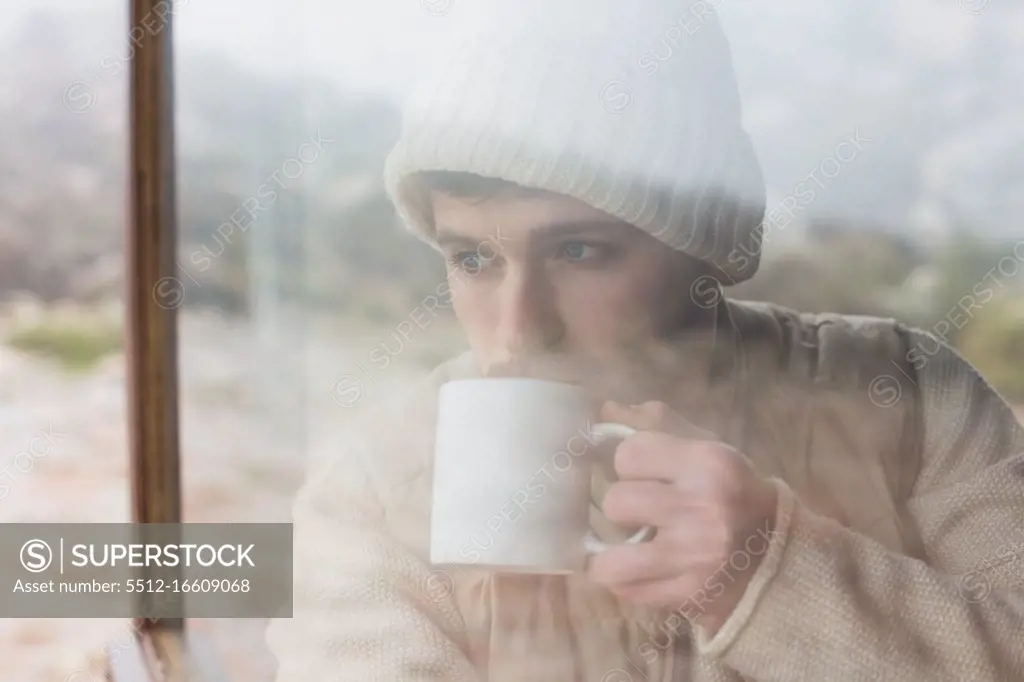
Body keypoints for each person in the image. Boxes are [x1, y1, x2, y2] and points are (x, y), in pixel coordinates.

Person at [266, 2, 1024, 680]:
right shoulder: (369, 488)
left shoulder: (918, 400)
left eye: (578, 252)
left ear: (698, 240)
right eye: (473, 259)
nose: (518, 328)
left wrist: (770, 575)